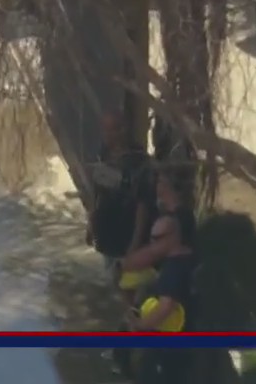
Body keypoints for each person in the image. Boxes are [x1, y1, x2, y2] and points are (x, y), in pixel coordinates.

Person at [87, 114, 157, 293]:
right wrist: (90, 224)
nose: (108, 135)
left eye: (113, 129)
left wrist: (136, 241)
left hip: (127, 233)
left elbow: (144, 203)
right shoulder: (102, 154)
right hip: (106, 233)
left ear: (123, 130)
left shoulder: (138, 160)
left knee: (131, 285)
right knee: (114, 283)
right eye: (105, 130)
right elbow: (96, 192)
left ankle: (137, 318)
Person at [127, 213, 196, 383]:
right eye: (151, 237)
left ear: (173, 237)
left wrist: (139, 325)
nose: (152, 242)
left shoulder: (174, 269)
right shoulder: (189, 256)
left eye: (157, 238)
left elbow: (166, 306)